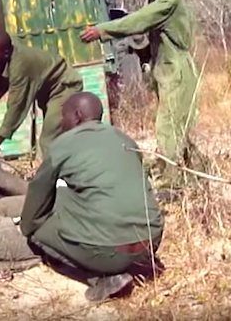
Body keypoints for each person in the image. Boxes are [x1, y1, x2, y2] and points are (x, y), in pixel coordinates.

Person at [19, 92, 164, 302]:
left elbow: (38, 192)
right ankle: (130, 265)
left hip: (110, 253)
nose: (61, 123)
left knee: (36, 231)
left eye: (64, 116)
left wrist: (28, 226)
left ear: (77, 116)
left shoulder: (63, 144)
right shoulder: (124, 139)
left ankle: (99, 279)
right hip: (150, 242)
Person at [80, 0, 209, 188]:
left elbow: (140, 20)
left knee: (168, 126)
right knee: (176, 126)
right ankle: (199, 171)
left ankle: (172, 184)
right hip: (166, 68)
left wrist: (102, 30)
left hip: (176, 69)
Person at [0, 31, 83, 161]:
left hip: (64, 88)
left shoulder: (21, 65)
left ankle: (59, 179)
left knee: (49, 140)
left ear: (5, 53)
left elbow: (17, 107)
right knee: (59, 137)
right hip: (46, 93)